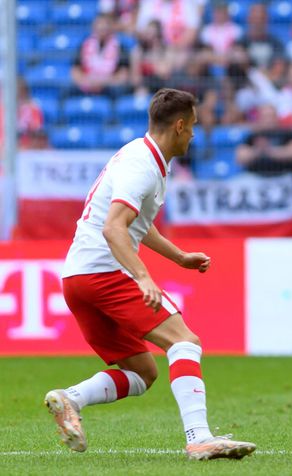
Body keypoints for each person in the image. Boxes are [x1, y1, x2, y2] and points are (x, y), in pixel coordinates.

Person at [45, 88, 256, 461]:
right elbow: (114, 229)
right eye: (191, 127)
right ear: (178, 126)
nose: (193, 135)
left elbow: (138, 223)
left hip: (77, 279)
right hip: (102, 272)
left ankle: (70, 399)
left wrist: (178, 257)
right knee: (185, 342)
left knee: (143, 372)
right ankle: (199, 438)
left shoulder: (144, 157)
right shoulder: (141, 166)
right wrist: (143, 277)